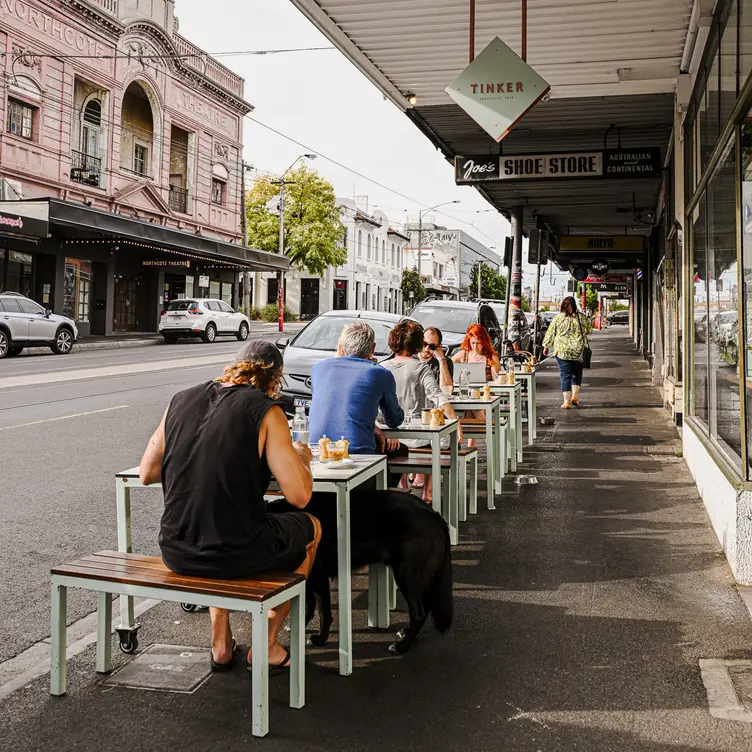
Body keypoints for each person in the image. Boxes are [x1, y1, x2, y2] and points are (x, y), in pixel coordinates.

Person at [139, 340, 322, 673]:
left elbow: (147, 472)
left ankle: (221, 644)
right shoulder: (267, 410)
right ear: (275, 379)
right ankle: (266, 643)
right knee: (311, 526)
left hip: (176, 549)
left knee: (219, 519)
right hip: (235, 551)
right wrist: (301, 458)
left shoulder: (181, 399)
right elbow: (299, 496)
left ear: (233, 366)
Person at [380, 320, 461, 502]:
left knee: (397, 440)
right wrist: (456, 424)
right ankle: (427, 492)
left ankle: (403, 487)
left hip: (392, 436)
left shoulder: (382, 367)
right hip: (419, 437)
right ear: (417, 345)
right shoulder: (421, 367)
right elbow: (439, 397)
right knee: (439, 438)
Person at [309, 322, 404, 454]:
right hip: (356, 451)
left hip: (318, 450)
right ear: (373, 349)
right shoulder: (379, 373)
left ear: (341, 346)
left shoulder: (318, 368)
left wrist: (372, 427)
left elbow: (333, 409)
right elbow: (394, 420)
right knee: (400, 451)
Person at [451, 324, 501, 447]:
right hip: (467, 393)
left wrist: (494, 370)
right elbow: (450, 363)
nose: (475, 346)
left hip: (485, 394)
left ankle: (473, 442)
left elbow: (497, 379)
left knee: (472, 404)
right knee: (471, 400)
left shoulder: (491, 357)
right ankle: (483, 432)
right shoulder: (465, 354)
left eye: (478, 343)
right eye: (472, 343)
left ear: (484, 342)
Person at [542, 296, 593, 409]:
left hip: (562, 351)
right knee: (577, 374)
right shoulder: (581, 318)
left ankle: (566, 402)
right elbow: (590, 329)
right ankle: (575, 396)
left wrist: (546, 347)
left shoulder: (558, 318)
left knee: (565, 376)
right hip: (578, 351)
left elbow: (550, 334)